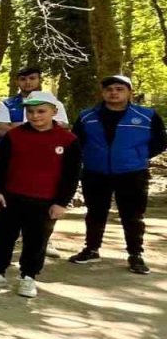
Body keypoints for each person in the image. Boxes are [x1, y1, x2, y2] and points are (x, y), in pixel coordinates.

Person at [0, 92, 80, 298]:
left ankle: (28, 277)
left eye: (41, 111)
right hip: (10, 196)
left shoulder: (68, 140)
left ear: (54, 112)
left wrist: (61, 202)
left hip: (45, 200)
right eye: (30, 111)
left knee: (37, 240)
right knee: (2, 237)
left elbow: (71, 174)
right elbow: (1, 166)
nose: (35, 116)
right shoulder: (14, 135)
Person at [69, 75, 166, 273]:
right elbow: (76, 142)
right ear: (103, 92)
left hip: (132, 172)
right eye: (109, 89)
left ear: (129, 92)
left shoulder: (147, 115)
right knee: (95, 212)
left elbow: (160, 141)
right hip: (95, 172)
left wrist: (138, 155)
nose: (114, 93)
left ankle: (135, 254)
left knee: (132, 215)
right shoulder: (87, 116)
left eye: (119, 89)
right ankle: (91, 248)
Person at [0, 66, 69, 138]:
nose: (27, 82)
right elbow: (2, 130)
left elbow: (64, 127)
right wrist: (44, 125)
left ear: (40, 80)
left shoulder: (55, 103)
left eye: (32, 78)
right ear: (17, 82)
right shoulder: (6, 104)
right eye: (23, 79)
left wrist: (17, 125)